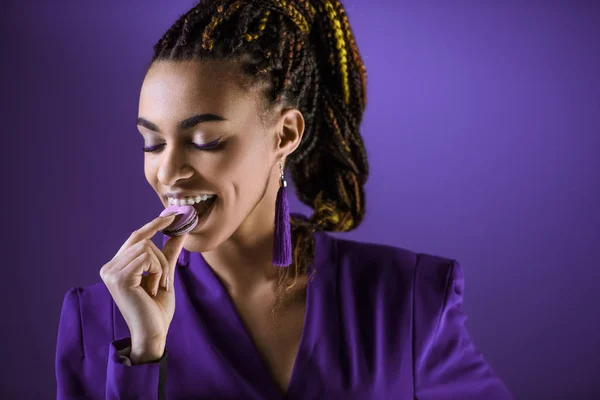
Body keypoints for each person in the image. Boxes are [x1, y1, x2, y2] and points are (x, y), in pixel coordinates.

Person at [55, 0, 515, 399]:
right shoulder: (99, 322)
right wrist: (145, 354)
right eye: (152, 143)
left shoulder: (407, 300)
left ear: (286, 134)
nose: (169, 171)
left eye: (205, 140)